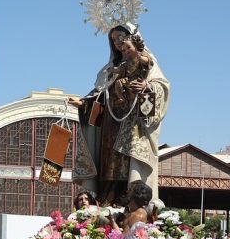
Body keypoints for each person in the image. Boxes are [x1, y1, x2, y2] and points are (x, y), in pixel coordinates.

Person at [69, 24, 170, 204]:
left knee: (128, 161)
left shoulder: (146, 61)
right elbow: (100, 94)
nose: (117, 42)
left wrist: (146, 86)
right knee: (109, 160)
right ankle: (107, 197)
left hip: (132, 121)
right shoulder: (111, 68)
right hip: (111, 121)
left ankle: (129, 199)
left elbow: (161, 86)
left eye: (120, 37)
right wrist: (84, 104)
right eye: (113, 39)